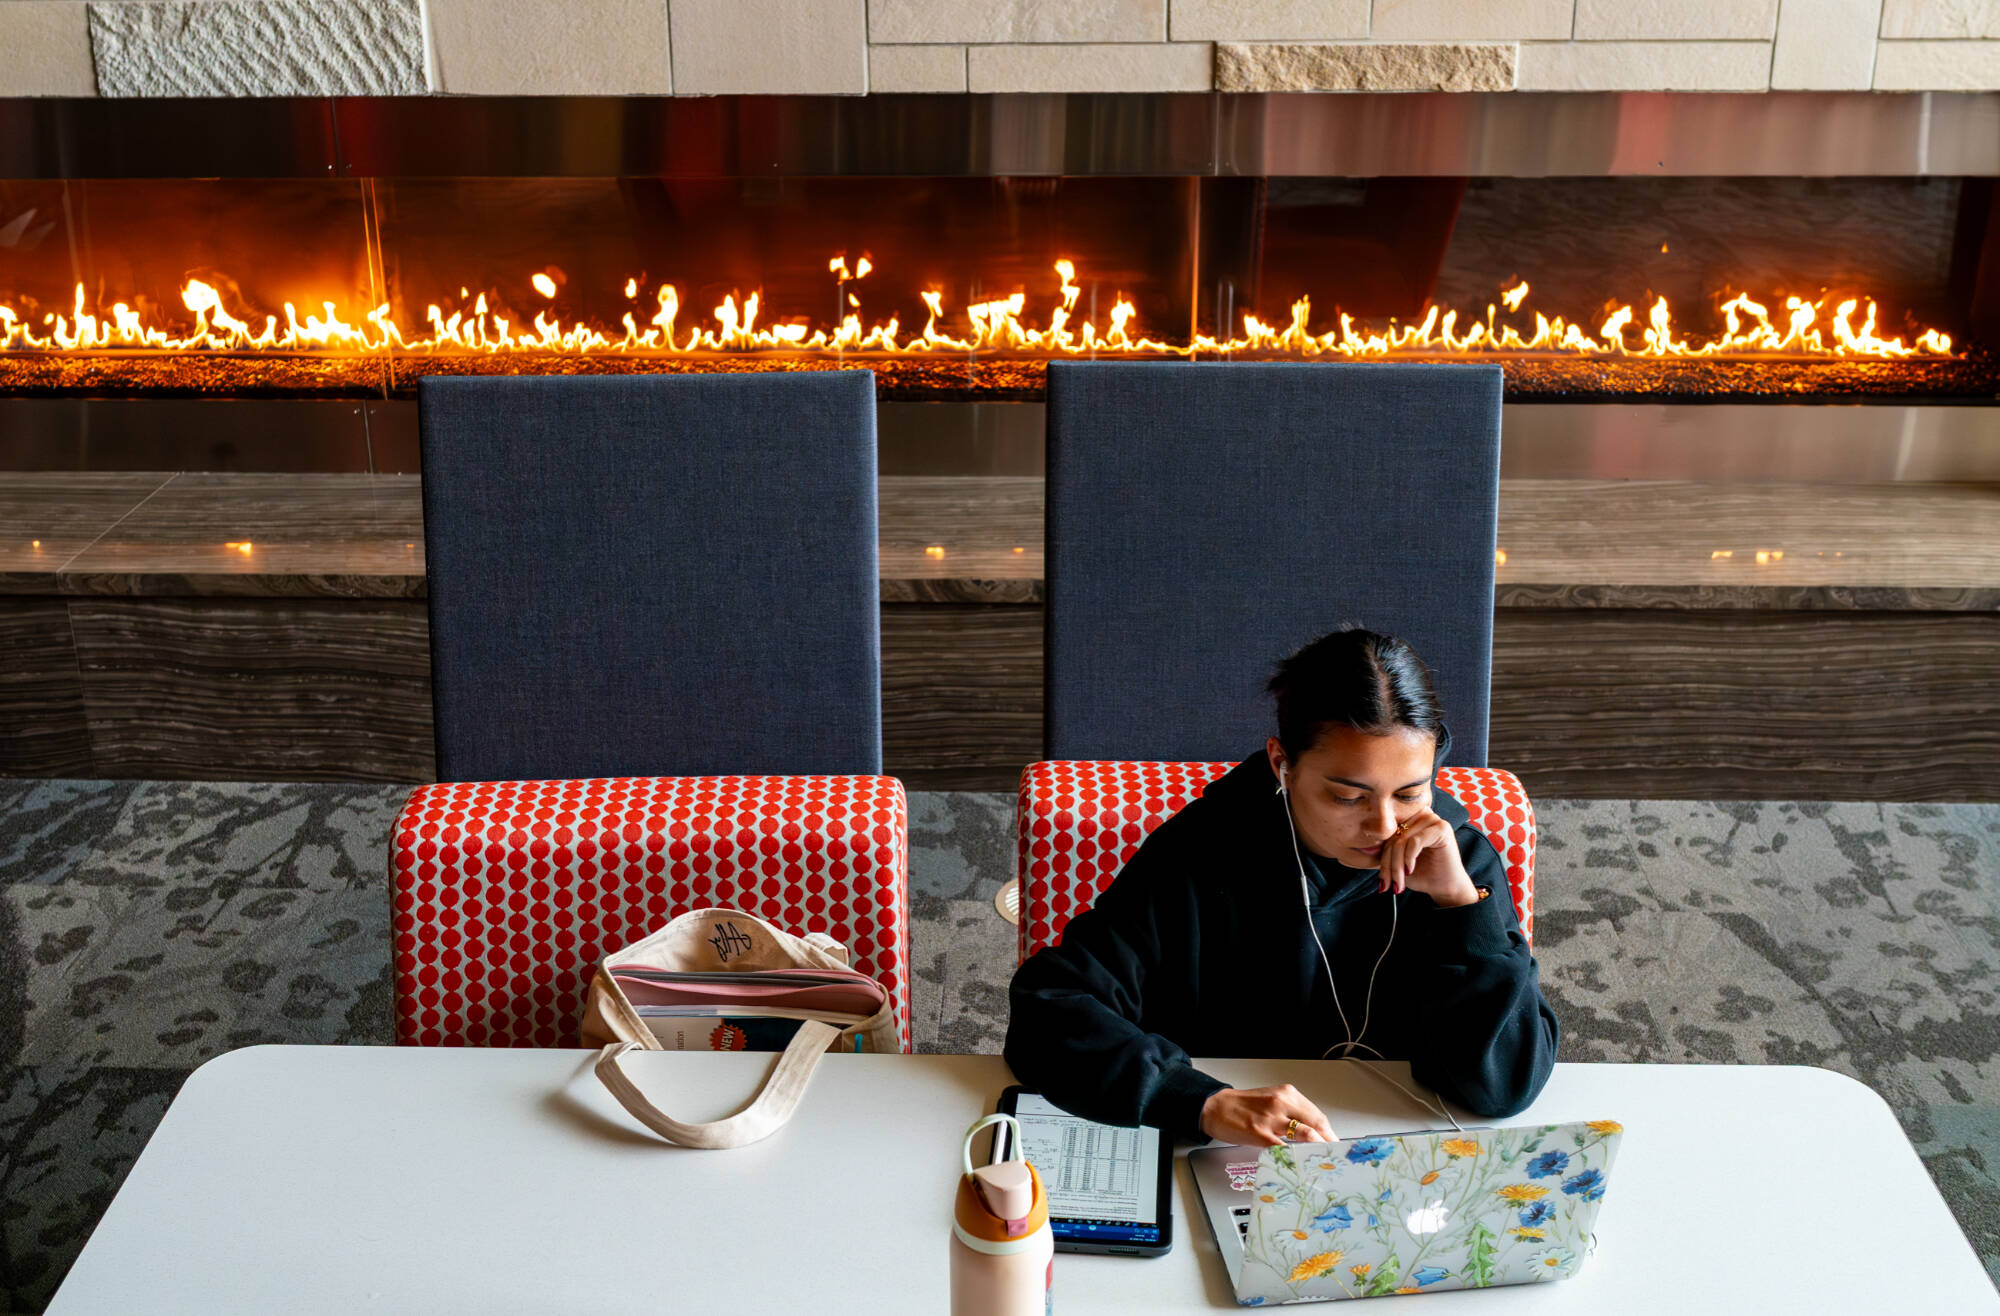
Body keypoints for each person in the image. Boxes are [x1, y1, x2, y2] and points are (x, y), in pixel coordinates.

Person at [1003, 626, 1558, 1150]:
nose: (1385, 826)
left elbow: (1505, 1087)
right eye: (1348, 796)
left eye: (1411, 793)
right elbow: (1047, 1012)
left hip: (1396, 1148)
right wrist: (1201, 1102)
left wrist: (1461, 908)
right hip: (1222, 1151)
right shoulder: (1200, 853)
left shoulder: (1455, 861)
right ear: (1281, 763)